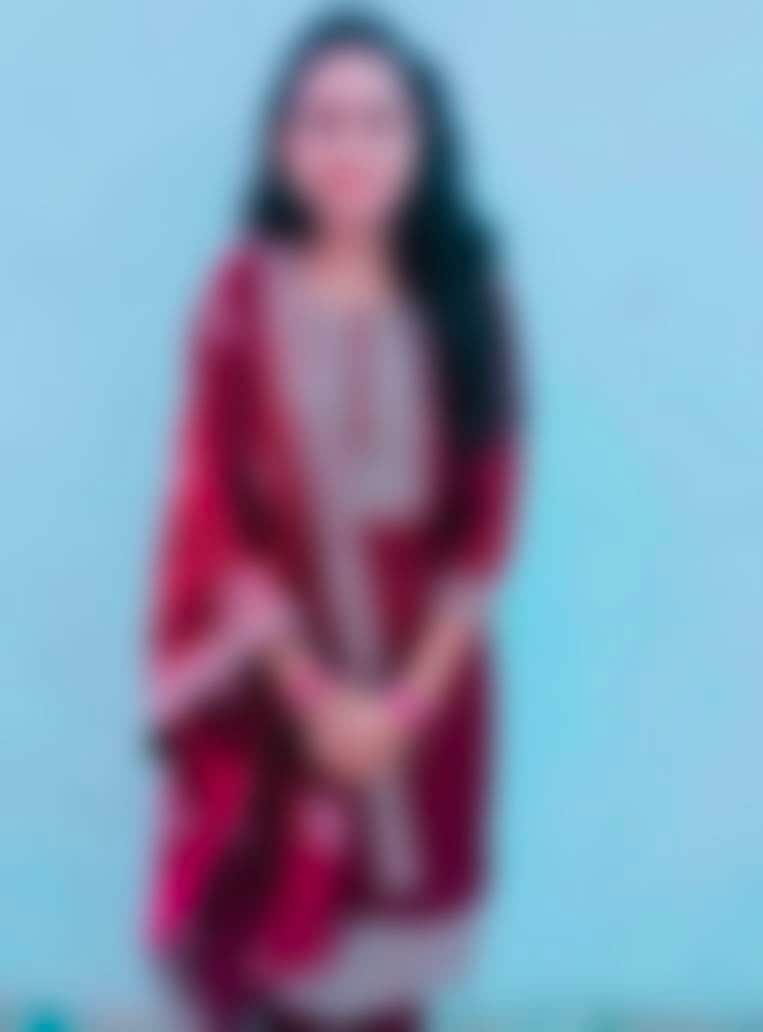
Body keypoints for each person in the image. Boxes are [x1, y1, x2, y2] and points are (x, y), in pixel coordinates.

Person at [145, 11, 522, 1030]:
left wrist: (400, 714)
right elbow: (215, 513)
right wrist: (314, 701)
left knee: (390, 980)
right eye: (323, 120)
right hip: (279, 695)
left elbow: (484, 531)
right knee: (280, 971)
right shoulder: (240, 300)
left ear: (421, 141)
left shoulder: (468, 298)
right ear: (281, 143)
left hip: (428, 704)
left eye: (378, 121)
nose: (349, 146)